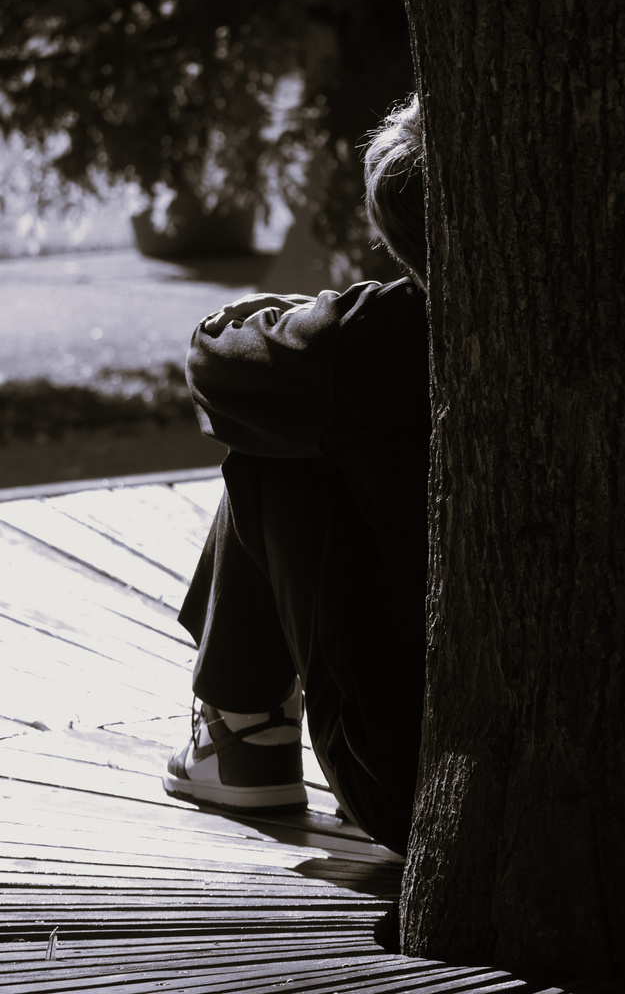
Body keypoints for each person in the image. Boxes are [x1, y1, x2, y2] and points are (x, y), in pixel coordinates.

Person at [162, 94, 428, 857]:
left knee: (276, 439)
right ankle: (241, 732)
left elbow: (218, 360)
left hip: (407, 777)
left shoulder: (377, 342)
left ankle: (241, 732)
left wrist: (298, 318)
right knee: (301, 415)